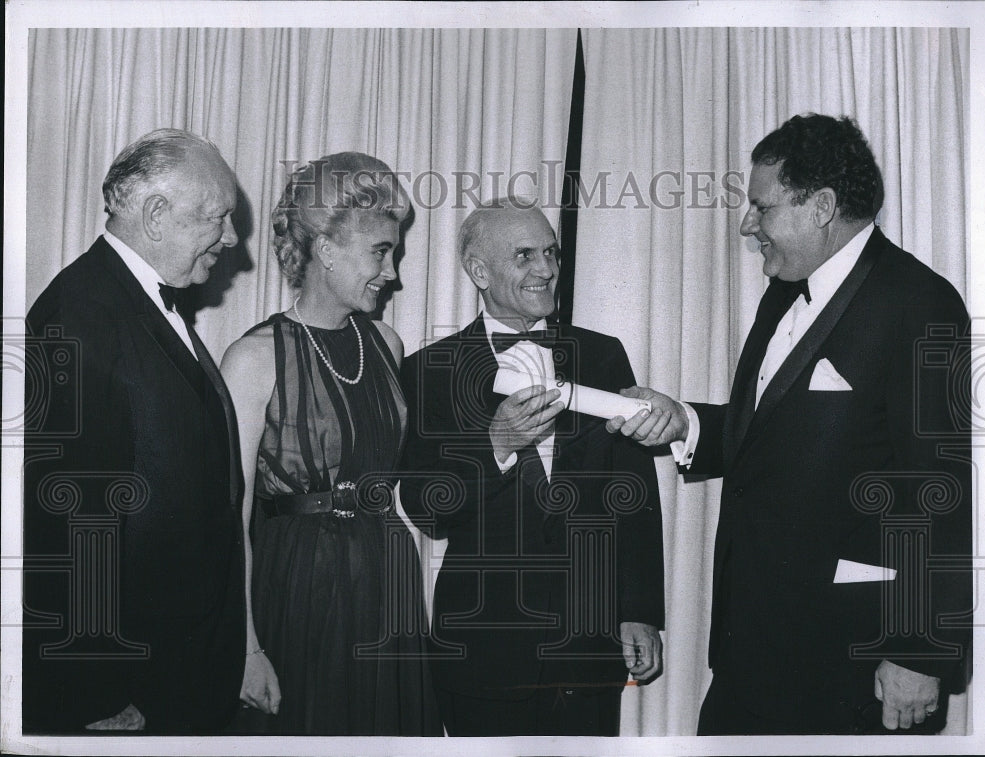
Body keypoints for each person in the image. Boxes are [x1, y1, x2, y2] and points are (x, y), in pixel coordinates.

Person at [608, 114, 972, 735]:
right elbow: (776, 434)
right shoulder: (783, 291)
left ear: (823, 205)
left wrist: (919, 652)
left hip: (849, 668)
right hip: (750, 652)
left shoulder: (921, 303)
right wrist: (684, 423)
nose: (748, 225)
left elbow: (943, 489)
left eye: (762, 207)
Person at [398, 198, 665, 736]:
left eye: (550, 253)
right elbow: (427, 510)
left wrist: (640, 610)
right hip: (482, 653)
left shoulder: (602, 355)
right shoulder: (426, 371)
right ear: (479, 271)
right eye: (524, 255)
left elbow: (634, 493)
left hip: (588, 652)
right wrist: (494, 443)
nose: (545, 270)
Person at [22, 129, 247, 733]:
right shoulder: (78, 315)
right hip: (125, 694)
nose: (230, 239)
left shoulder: (137, 302)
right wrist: (97, 694)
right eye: (218, 218)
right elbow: (65, 525)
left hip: (178, 675)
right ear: (154, 214)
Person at [219, 152, 440, 735]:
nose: (392, 273)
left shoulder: (386, 343)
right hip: (298, 582)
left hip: (386, 574)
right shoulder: (253, 358)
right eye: (380, 252)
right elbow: (229, 517)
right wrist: (245, 648)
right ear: (326, 250)